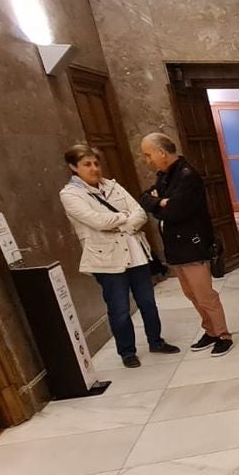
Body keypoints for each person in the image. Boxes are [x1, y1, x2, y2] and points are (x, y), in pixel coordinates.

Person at [58, 144, 180, 368]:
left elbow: (140, 213)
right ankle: (127, 351)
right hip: (106, 259)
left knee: (148, 302)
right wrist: (125, 217)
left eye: (96, 163)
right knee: (119, 308)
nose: (94, 168)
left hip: (135, 253)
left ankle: (156, 341)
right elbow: (96, 221)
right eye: (87, 164)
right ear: (73, 167)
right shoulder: (70, 195)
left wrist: (120, 221)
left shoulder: (113, 186)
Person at [137, 132, 233, 357]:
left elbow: (174, 212)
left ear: (161, 152)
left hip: (192, 245)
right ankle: (209, 331)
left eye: (148, 155)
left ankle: (222, 335)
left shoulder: (187, 176)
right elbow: (144, 197)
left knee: (204, 294)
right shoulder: (164, 175)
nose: (147, 161)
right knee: (191, 294)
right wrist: (159, 201)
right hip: (175, 248)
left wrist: (159, 204)